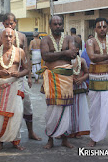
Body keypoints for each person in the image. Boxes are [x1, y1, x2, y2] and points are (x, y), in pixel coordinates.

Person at [0, 13, 41, 141]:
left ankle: (30, 132)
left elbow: (26, 59)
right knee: (3, 108)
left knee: (27, 105)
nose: (9, 26)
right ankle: (3, 137)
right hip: (3, 80)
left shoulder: (22, 37)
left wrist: (28, 76)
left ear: (15, 23)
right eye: (7, 24)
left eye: (11, 23)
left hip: (20, 77)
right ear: (3, 24)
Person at [39, 15, 76, 149]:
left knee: (66, 108)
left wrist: (57, 54)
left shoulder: (69, 38)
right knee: (52, 109)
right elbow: (45, 56)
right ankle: (50, 139)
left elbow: (73, 54)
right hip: (52, 78)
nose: (57, 26)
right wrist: (65, 53)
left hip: (66, 78)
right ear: (50, 26)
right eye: (55, 24)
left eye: (60, 24)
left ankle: (65, 139)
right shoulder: (45, 40)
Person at [0, 28, 28, 151]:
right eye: (6, 36)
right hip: (2, 86)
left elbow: (26, 69)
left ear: (14, 38)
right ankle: (0, 141)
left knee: (17, 113)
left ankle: (15, 140)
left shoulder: (20, 52)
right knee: (0, 113)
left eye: (11, 36)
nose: (8, 39)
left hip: (15, 85)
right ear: (1, 38)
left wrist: (19, 74)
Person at [86, 18, 108, 147]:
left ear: (107, 28)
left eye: (104, 27)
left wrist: (104, 60)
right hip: (96, 79)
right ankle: (94, 137)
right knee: (95, 110)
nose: (102, 29)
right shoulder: (90, 42)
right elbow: (92, 57)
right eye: (99, 27)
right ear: (95, 29)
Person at [69, 43, 90, 138]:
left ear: (77, 49)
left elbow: (87, 73)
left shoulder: (82, 60)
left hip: (80, 87)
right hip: (69, 87)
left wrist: (81, 79)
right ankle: (68, 130)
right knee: (69, 110)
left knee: (80, 109)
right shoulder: (66, 62)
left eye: (73, 49)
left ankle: (78, 131)